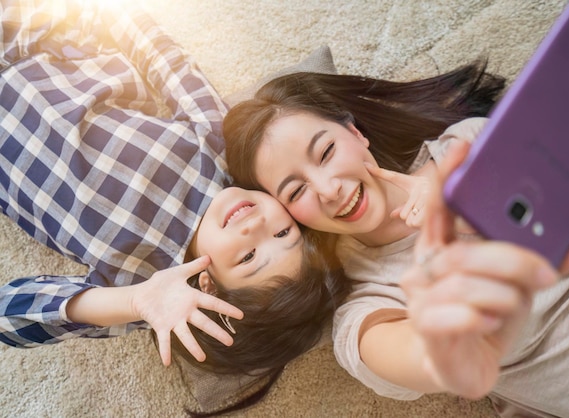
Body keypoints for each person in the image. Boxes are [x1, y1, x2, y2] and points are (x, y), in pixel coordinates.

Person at [223, 68, 569, 417]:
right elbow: (433, 358)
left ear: (354, 133)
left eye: (326, 151)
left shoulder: (466, 146)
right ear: (289, 216)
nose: (329, 190)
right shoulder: (365, 303)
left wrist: (479, 207)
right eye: (296, 192)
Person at [0, 0, 350, 393]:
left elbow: (10, 314)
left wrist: (137, 301)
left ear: (208, 287)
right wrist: (99, 16)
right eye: (284, 233)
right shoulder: (218, 151)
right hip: (36, 42)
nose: (257, 226)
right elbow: (169, 65)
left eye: (249, 256)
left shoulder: (143, 285)